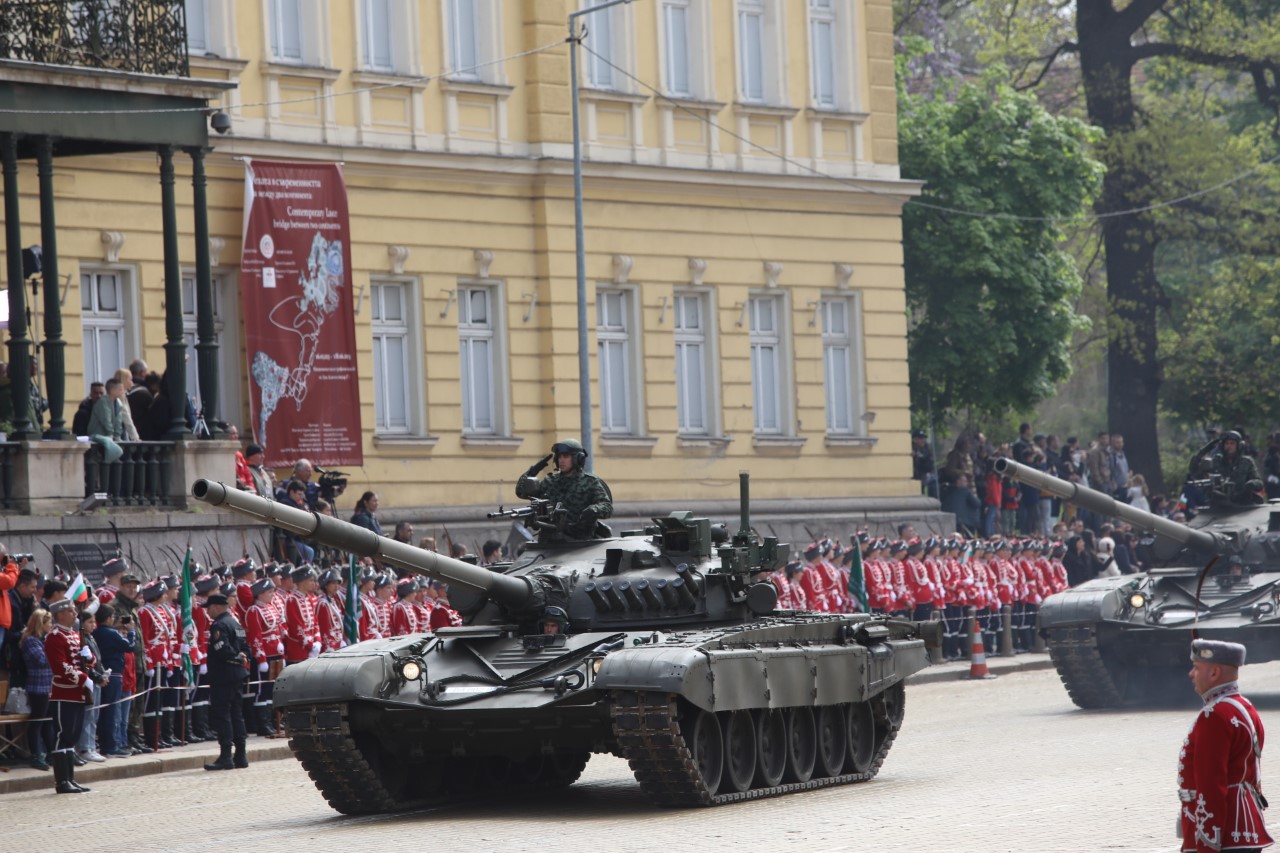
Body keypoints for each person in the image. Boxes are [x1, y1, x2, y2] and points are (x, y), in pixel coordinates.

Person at [1177, 638, 1271, 853]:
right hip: (1246, 827)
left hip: (1225, 835)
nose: (1191, 674)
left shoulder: (1214, 715)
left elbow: (1211, 785)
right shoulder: (1245, 707)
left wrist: (1207, 843)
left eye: (1196, 667)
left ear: (1214, 673)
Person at [515, 438, 612, 539]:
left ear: (577, 458)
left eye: (566, 456)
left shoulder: (590, 482)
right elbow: (521, 491)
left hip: (579, 542)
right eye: (559, 457)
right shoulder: (550, 481)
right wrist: (533, 470)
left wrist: (594, 510)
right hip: (550, 542)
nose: (561, 460)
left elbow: (607, 507)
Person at [45, 599, 91, 793]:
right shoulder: (55, 636)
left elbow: (80, 660)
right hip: (64, 692)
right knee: (62, 735)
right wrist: (82, 678)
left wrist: (90, 658)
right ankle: (61, 781)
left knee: (72, 736)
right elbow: (60, 666)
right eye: (71, 611)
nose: (75, 614)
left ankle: (70, 779)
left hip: (77, 693)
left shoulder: (74, 634)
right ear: (60, 614)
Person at [203, 593, 250, 771]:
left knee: (223, 715)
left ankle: (226, 756)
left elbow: (222, 649)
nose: (208, 611)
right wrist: (243, 657)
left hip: (224, 675)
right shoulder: (235, 623)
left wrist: (237, 657)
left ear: (216, 607)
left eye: (209, 607)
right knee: (236, 714)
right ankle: (241, 755)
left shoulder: (219, 625)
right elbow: (247, 647)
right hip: (238, 674)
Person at [19, 608, 54, 771]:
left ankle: (51, 752)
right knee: (37, 721)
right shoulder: (30, 640)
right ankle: (36, 754)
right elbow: (41, 660)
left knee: (47, 721)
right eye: (49, 623)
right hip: (37, 686)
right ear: (41, 624)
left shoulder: (41, 640)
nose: (51, 626)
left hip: (47, 685)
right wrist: (50, 645)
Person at [1204, 431, 1264, 506]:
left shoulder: (1246, 462)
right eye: (1226, 443)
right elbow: (1203, 475)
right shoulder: (1216, 461)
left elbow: (1259, 482)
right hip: (1220, 505)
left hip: (1242, 505)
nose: (1229, 446)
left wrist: (1251, 484)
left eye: (1232, 443)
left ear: (1239, 446)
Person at [911, 429, 937, 498]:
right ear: (914, 439)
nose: (922, 440)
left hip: (925, 474)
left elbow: (930, 464)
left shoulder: (926, 449)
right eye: (920, 438)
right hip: (916, 475)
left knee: (934, 481)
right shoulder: (911, 448)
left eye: (923, 438)